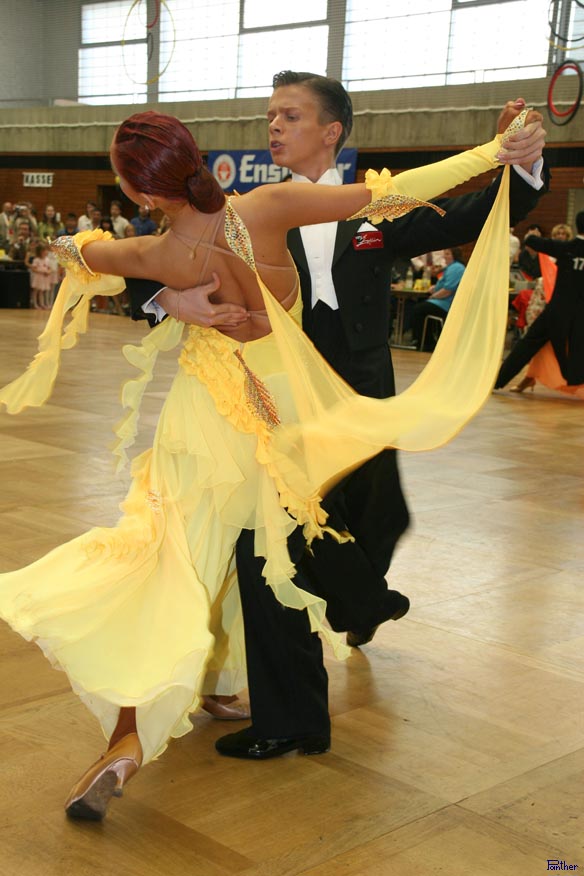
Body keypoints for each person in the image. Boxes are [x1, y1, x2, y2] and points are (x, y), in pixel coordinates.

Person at [0, 105, 540, 820]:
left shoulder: (159, 254)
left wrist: (169, 294)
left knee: (172, 557)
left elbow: (74, 251)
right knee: (258, 554)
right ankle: (221, 685)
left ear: (138, 191)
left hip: (208, 416)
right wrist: (495, 150)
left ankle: (128, 739)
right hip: (284, 416)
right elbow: (398, 189)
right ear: (194, 160)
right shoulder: (268, 207)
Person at [128, 74, 547, 763]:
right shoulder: (245, 210)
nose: (273, 126)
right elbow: (151, 261)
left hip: (365, 396)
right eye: (270, 115)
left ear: (332, 132)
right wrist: (168, 302)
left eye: (290, 116)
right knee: (273, 550)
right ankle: (302, 696)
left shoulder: (377, 206)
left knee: (376, 517)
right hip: (282, 403)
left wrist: (522, 161)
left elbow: (480, 210)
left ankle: (357, 602)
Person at [495, 211, 584, 396]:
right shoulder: (567, 247)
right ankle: (573, 378)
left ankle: (498, 381)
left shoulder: (566, 248)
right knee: (576, 352)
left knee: (527, 345)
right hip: (579, 316)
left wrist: (531, 235)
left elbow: (532, 242)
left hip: (557, 312)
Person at [410, 247, 465, 350]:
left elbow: (448, 290)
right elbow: (443, 284)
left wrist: (433, 296)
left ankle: (425, 342)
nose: (444, 256)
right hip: (441, 301)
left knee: (418, 309)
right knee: (422, 307)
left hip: (446, 303)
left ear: (455, 255)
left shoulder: (456, 268)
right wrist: (434, 288)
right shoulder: (451, 267)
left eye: (447, 254)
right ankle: (426, 340)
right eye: (445, 254)